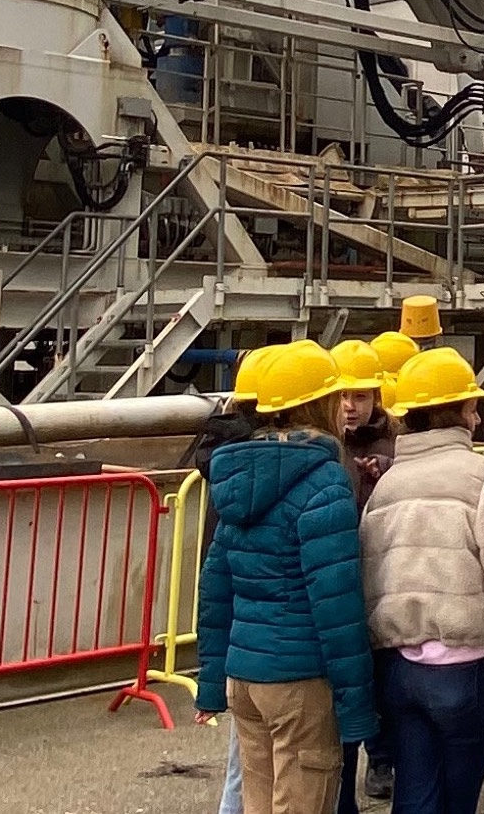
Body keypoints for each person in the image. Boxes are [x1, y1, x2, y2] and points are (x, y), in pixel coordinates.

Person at [198, 343, 380, 814]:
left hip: (247, 676)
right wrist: (358, 706)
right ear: (319, 405)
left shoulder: (237, 475)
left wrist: (213, 681)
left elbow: (216, 587)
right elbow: (336, 605)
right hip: (301, 678)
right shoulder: (324, 483)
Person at [359, 347, 484, 814]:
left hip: (399, 666)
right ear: (458, 413)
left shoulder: (388, 484)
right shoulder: (482, 477)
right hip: (465, 667)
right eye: (471, 406)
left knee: (415, 796)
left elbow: (370, 578)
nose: (477, 418)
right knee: (458, 799)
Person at [195, 347, 276, 814]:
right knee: (278, 772)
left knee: (243, 763)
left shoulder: (227, 465)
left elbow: (215, 589)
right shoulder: (286, 472)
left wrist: (208, 680)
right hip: (286, 648)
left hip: (242, 634)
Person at [333, 341, 400, 810]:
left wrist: (388, 472)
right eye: (342, 396)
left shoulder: (392, 442)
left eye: (359, 396)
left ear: (376, 396)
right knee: (348, 684)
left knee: (380, 677)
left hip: (381, 577)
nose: (349, 406)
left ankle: (382, 758)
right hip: (338, 579)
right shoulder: (324, 443)